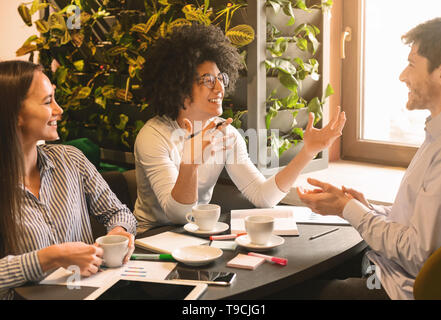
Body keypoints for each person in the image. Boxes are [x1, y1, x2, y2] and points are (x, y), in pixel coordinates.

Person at [134, 23, 346, 233]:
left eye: (221, 78)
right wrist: (189, 165)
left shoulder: (225, 133)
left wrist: (308, 151)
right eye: (208, 80)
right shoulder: (153, 137)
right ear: (180, 88)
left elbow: (263, 197)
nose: (220, 88)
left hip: (196, 234)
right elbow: (178, 215)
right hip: (151, 241)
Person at [295, 16, 441, 300]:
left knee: (296, 290)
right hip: (388, 271)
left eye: (412, 64)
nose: (403, 76)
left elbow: (419, 255)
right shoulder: (437, 136)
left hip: (398, 288)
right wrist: (364, 207)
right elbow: (419, 229)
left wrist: (348, 209)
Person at [0, 60, 137, 300]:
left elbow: (118, 212)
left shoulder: (71, 159)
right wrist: (50, 257)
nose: (59, 109)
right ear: (14, 114)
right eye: (47, 101)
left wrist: (119, 232)